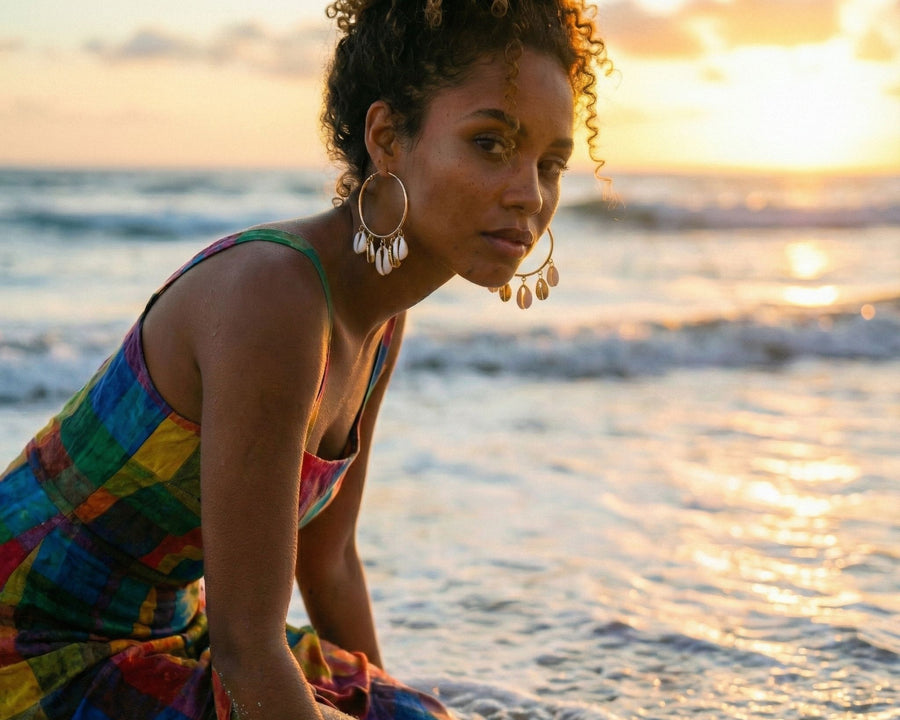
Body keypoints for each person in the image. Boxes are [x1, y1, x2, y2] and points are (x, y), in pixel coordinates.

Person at [0, 0, 612, 718]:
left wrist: (389, 704)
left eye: (551, 163)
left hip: (167, 633)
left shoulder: (381, 318)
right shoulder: (276, 297)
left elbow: (328, 563)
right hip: (33, 646)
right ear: (387, 138)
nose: (529, 194)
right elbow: (246, 648)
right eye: (490, 143)